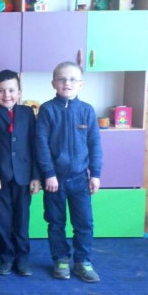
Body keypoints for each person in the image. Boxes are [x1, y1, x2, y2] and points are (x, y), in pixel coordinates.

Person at [36, 61, 102, 283]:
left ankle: (83, 261)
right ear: (53, 83)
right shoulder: (47, 110)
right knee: (56, 222)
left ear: (81, 84)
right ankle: (61, 259)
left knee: (84, 223)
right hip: (54, 181)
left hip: (80, 180)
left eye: (73, 79)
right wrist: (49, 173)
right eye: (62, 79)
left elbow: (95, 144)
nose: (67, 83)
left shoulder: (87, 111)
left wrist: (95, 174)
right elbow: (41, 144)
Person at [0, 69, 40, 276]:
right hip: (1, 177)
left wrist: (35, 176)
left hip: (24, 176)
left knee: (22, 221)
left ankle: (22, 260)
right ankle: (6, 259)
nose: (6, 95)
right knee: (4, 221)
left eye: (11, 90)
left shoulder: (27, 113)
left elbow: (34, 145)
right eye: (1, 90)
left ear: (19, 92)